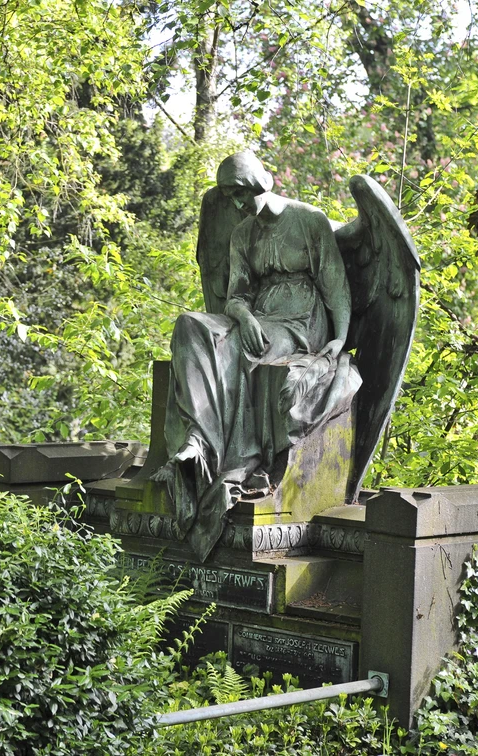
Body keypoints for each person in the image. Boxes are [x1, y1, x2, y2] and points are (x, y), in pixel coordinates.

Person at [153, 151, 361, 561]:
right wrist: (243, 315)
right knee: (191, 326)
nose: (237, 204)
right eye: (230, 196)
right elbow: (235, 295)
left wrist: (339, 340)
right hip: (258, 317)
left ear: (259, 182)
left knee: (244, 356)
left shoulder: (309, 220)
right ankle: (198, 442)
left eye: (241, 192)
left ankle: (238, 457)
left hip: (300, 322)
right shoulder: (242, 234)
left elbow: (335, 283)